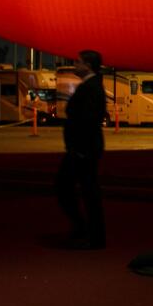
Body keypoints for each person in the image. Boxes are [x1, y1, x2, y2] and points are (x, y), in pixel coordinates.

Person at [56, 50, 108, 249]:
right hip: (83, 147)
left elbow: (88, 119)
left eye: (78, 62)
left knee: (78, 189)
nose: (75, 65)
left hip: (83, 149)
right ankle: (86, 230)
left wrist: (78, 147)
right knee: (85, 190)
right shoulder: (92, 86)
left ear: (87, 65)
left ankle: (89, 232)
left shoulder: (91, 87)